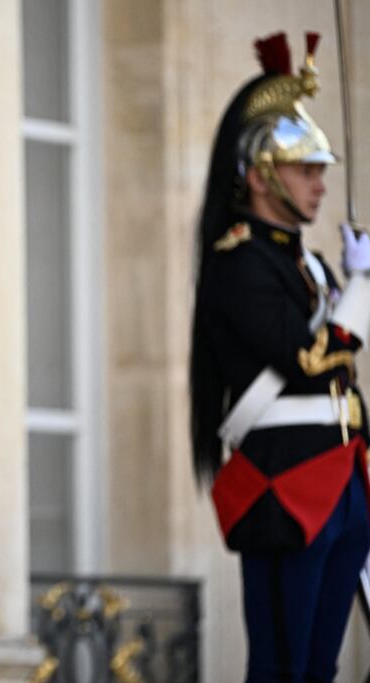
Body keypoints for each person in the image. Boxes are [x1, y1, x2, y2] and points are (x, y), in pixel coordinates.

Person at [190, 31, 370, 681]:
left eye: (322, 170)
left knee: (320, 664)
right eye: (306, 169)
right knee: (283, 665)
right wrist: (364, 290)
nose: (321, 184)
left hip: (342, 478)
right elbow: (309, 357)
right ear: (263, 172)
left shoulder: (311, 266)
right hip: (286, 485)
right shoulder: (238, 262)